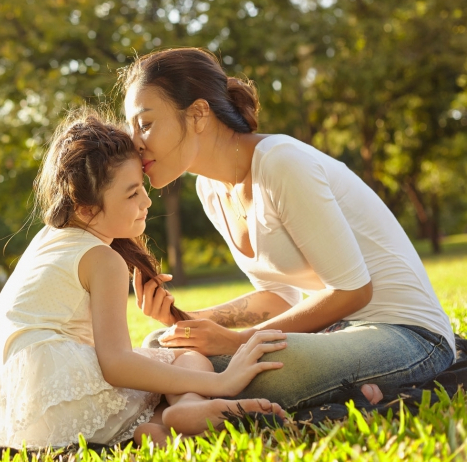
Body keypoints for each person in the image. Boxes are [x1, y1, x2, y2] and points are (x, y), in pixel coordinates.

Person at [119, 47, 456, 410]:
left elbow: (354, 291)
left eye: (146, 123)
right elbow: (279, 298)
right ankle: (200, 401)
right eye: (131, 127)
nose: (134, 141)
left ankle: (192, 399)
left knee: (251, 369)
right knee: (162, 343)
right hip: (336, 334)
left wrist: (239, 342)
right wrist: (186, 321)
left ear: (199, 114)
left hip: (408, 336)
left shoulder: (281, 163)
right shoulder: (211, 190)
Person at [0, 110, 287, 449]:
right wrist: (223, 382)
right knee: (186, 357)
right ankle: (191, 406)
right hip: (59, 390)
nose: (147, 200)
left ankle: (159, 430)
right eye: (132, 193)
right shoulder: (102, 258)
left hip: (18, 413)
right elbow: (117, 364)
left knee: (155, 386)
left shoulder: (51, 238)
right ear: (85, 208)